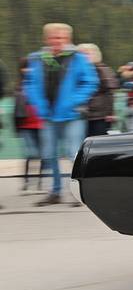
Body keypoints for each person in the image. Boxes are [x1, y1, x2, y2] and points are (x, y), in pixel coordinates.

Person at [24, 23, 99, 206]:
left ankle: (78, 193)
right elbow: (30, 84)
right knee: (49, 154)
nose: (57, 41)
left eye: (61, 38)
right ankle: (55, 191)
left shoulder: (78, 58)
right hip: (48, 115)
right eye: (53, 38)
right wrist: (37, 104)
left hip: (72, 115)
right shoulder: (37, 59)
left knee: (74, 154)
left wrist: (73, 101)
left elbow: (90, 82)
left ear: (68, 40)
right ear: (46, 39)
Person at [13, 58, 43, 193]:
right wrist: (17, 127)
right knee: (31, 153)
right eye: (25, 67)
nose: (28, 70)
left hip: (40, 124)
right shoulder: (19, 86)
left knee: (42, 154)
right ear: (21, 70)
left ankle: (39, 181)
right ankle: (27, 180)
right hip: (25, 125)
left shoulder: (41, 83)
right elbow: (15, 109)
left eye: (31, 67)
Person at [77, 43, 118, 136]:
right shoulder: (77, 72)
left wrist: (110, 113)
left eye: (87, 54)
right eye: (81, 54)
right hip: (83, 114)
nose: (84, 57)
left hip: (100, 115)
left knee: (96, 140)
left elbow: (110, 92)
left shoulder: (101, 70)